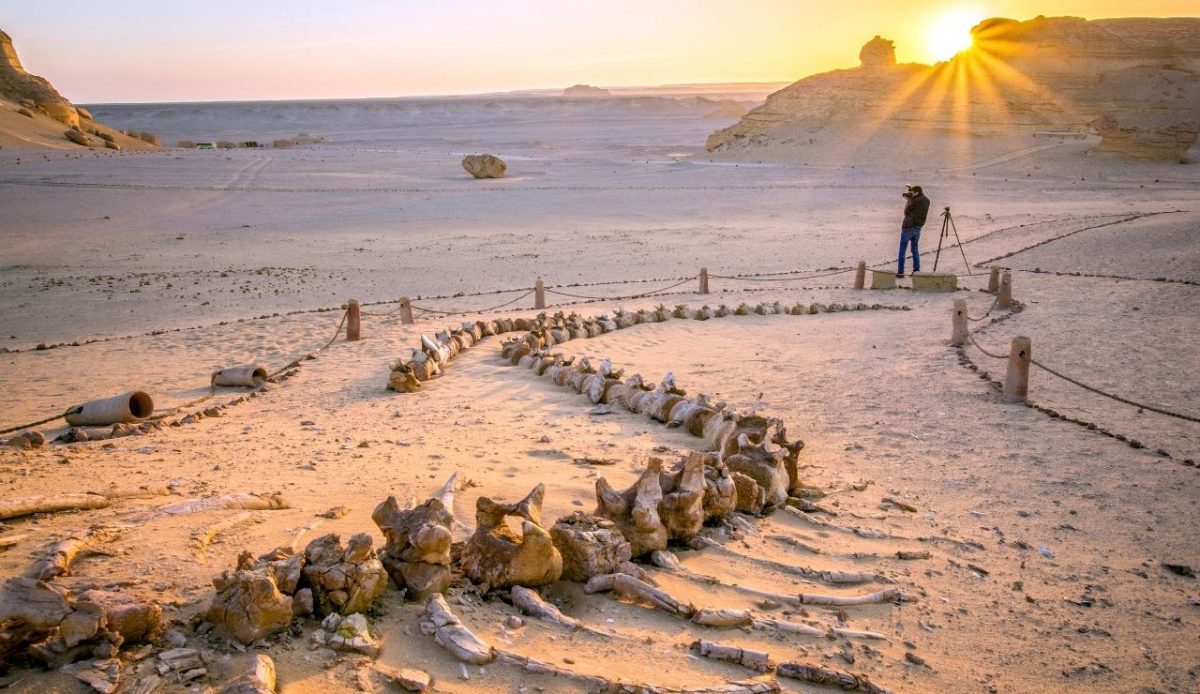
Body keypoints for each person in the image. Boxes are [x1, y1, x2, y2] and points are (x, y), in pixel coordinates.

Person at [897, 184, 930, 278]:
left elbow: (906, 212)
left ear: (916, 192)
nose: (911, 194)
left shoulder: (914, 201)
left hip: (908, 227)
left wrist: (908, 200)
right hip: (918, 228)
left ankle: (900, 272)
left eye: (912, 193)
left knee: (902, 251)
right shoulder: (927, 200)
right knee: (915, 250)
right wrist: (911, 197)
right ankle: (916, 271)